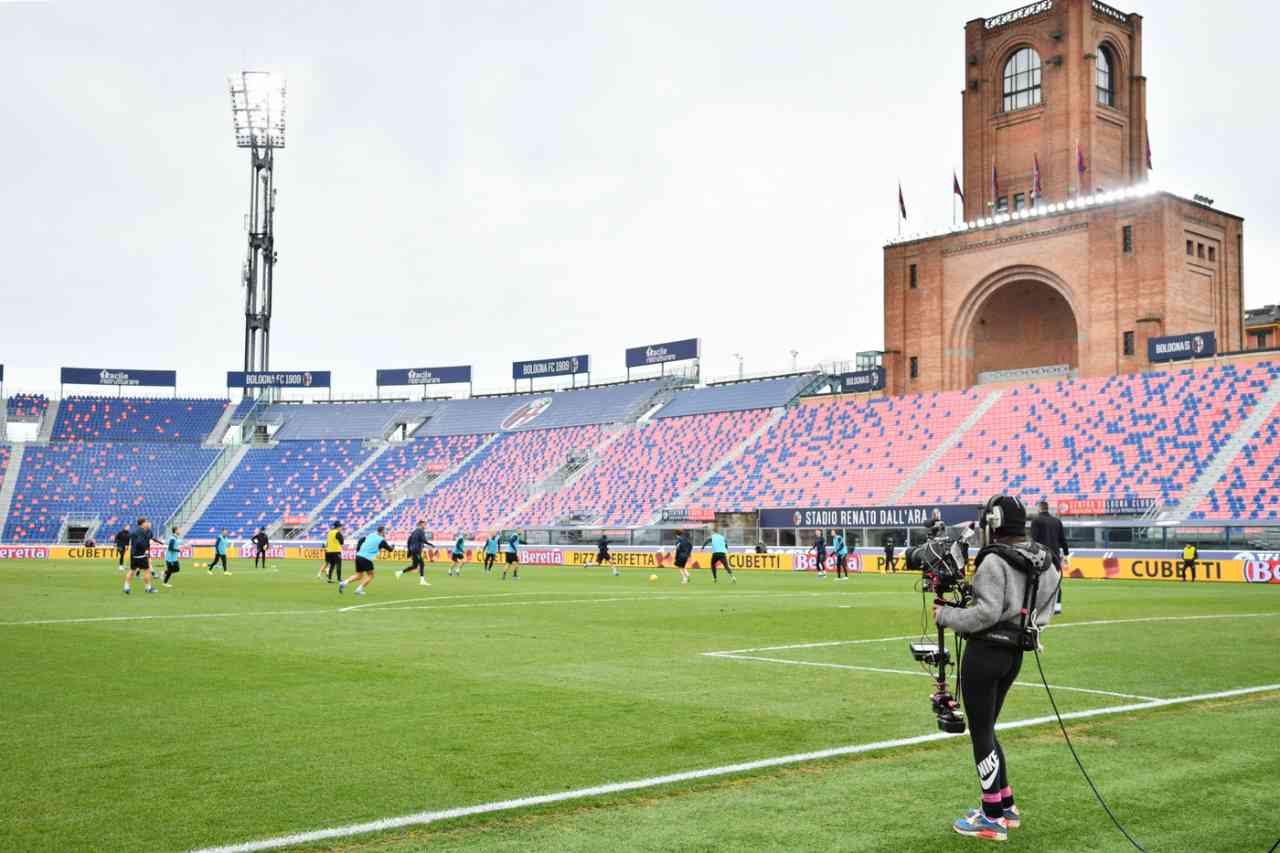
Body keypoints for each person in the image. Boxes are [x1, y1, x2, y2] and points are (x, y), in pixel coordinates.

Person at [934, 496, 1060, 842]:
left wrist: (946, 615)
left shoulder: (994, 560)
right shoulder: (1046, 561)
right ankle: (1005, 805)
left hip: (986, 653)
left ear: (996, 520)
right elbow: (1045, 613)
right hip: (1015, 655)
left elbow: (984, 614)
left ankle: (991, 818)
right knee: (987, 727)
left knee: (981, 732)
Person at [1029, 500, 1069, 613]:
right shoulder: (1057, 521)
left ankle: (1039, 606)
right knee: (1055, 581)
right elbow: (1063, 540)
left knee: (1039, 581)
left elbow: (1034, 540)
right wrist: (1066, 554)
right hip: (1055, 556)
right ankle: (1057, 607)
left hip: (1041, 556)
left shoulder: (1036, 520)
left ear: (1039, 508)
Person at [340, 525, 393, 596]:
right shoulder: (381, 540)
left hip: (359, 556)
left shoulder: (371, 535)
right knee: (371, 575)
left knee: (359, 575)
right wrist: (393, 547)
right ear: (383, 531)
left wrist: (358, 549)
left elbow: (361, 540)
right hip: (366, 558)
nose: (385, 533)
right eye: (385, 531)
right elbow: (390, 550)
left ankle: (344, 582)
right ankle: (359, 590)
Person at [123, 518, 160, 595]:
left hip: (133, 554)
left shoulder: (134, 531)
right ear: (143, 523)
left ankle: (126, 586)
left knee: (132, 570)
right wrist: (145, 550)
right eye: (146, 522)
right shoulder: (142, 532)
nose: (148, 523)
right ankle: (148, 588)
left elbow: (133, 540)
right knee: (147, 570)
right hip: (141, 554)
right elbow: (140, 542)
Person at [397, 520, 434, 585]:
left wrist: (409, 550)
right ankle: (422, 581)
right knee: (422, 564)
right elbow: (423, 540)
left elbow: (409, 540)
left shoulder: (414, 531)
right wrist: (430, 544)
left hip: (413, 550)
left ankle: (399, 572)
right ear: (421, 525)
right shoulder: (421, 531)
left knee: (414, 566)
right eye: (424, 524)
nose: (425, 526)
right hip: (416, 550)